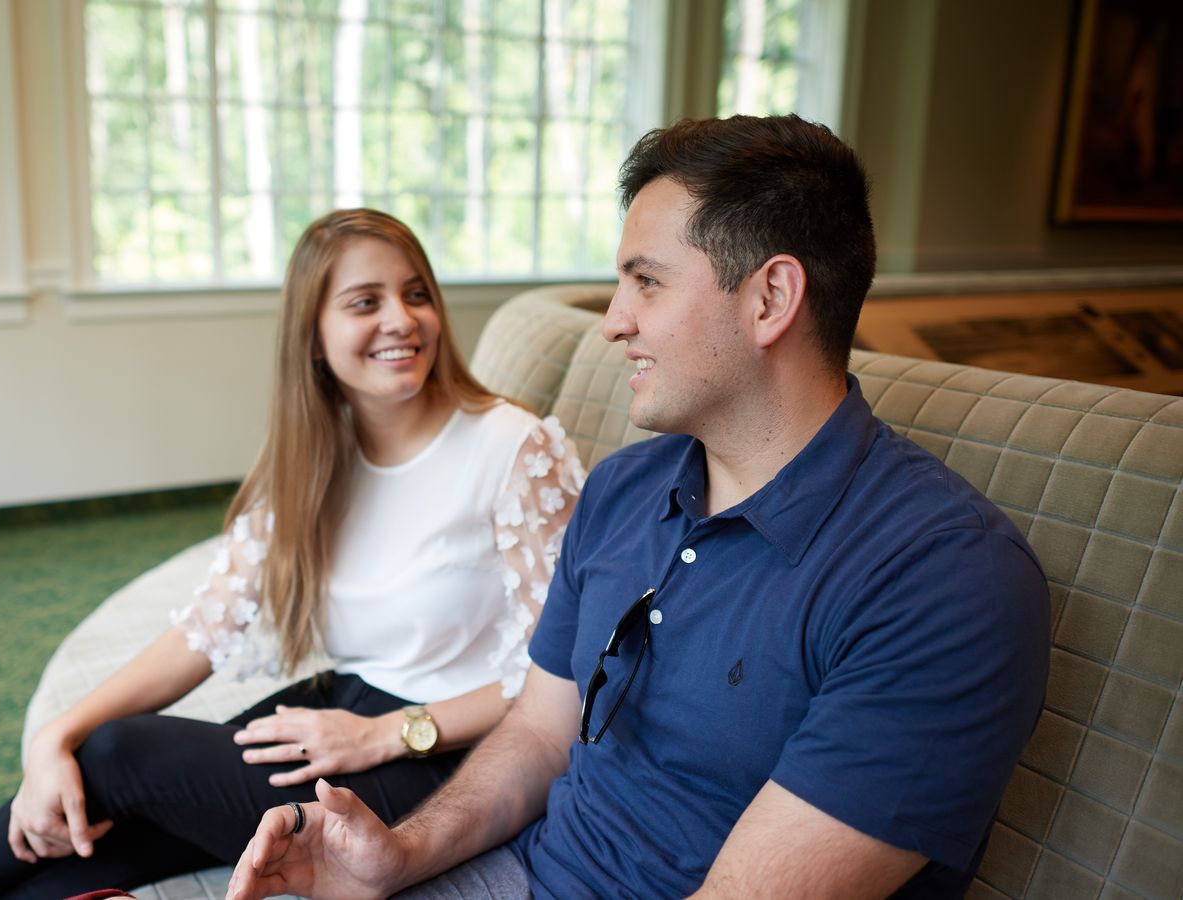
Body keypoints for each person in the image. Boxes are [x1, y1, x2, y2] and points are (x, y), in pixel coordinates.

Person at [227, 116, 1051, 900]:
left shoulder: (945, 581)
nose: (613, 325)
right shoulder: (622, 489)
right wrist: (399, 856)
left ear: (770, 299)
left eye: (645, 283)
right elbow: (541, 734)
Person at [0, 208, 584, 900]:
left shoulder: (511, 448)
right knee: (96, 819)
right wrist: (53, 740)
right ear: (314, 337)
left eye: (414, 294)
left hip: (444, 759)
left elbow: (565, 671)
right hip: (343, 708)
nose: (400, 320)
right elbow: (202, 631)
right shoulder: (313, 461)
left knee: (120, 754)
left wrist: (390, 736)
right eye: (363, 302)